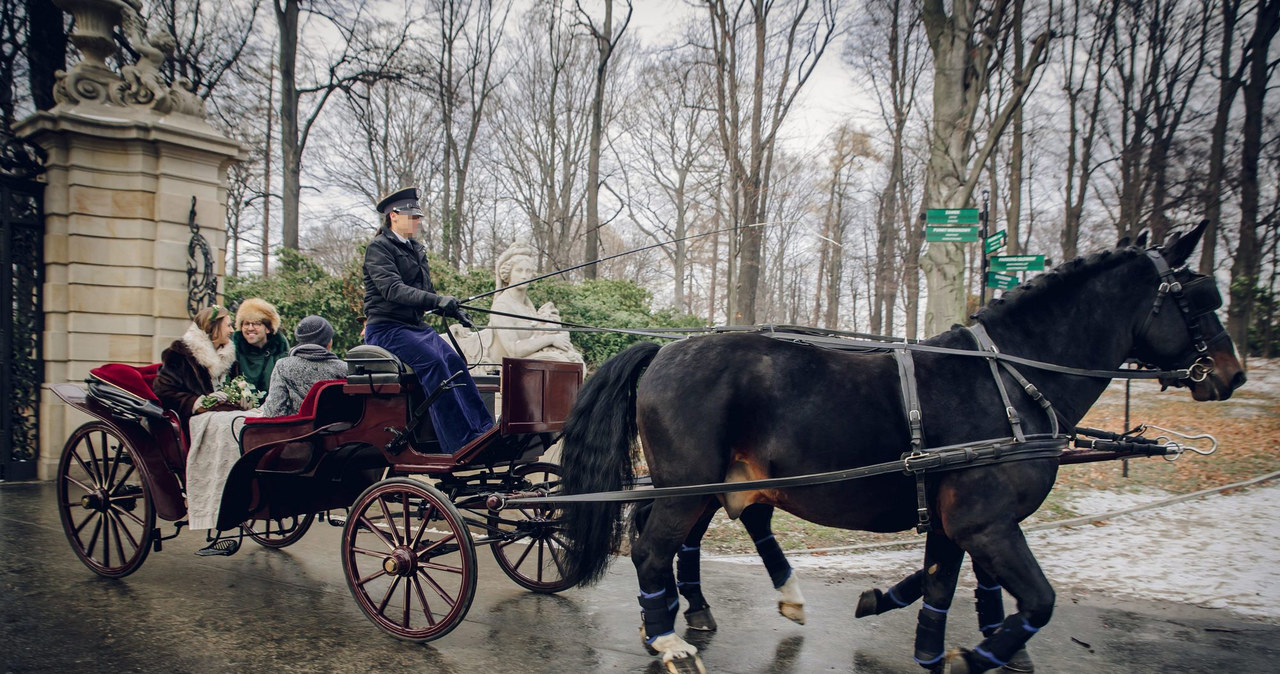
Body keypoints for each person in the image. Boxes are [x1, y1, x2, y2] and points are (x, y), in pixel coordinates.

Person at [362, 186, 494, 453]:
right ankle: (459, 442)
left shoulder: (415, 249)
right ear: (393, 216)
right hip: (386, 328)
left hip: (413, 328)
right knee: (434, 363)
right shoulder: (379, 248)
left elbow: (426, 293)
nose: (418, 221)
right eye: (412, 216)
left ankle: (484, 430)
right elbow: (393, 290)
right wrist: (436, 301)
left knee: (455, 362)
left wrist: (451, 308)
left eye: (419, 216)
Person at [153, 305, 239, 431]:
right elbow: (163, 393)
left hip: (225, 417)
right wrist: (197, 403)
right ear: (214, 328)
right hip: (193, 422)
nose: (232, 331)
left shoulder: (230, 359)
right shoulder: (179, 355)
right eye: (228, 326)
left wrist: (240, 398)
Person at [260, 315, 348, 417]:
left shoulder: (283, 366)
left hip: (299, 431)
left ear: (300, 341)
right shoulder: (344, 368)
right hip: (339, 430)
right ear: (328, 342)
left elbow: (273, 412)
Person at [232, 298, 289, 394]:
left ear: (268, 329)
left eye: (256, 324)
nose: (250, 328)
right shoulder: (234, 349)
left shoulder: (280, 350)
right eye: (246, 324)